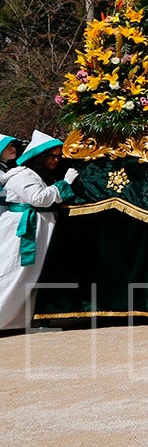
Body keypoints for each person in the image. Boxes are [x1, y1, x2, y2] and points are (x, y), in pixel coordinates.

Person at [0, 131, 77, 330]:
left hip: (37, 230)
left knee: (28, 278)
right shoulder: (22, 174)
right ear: (38, 158)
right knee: (12, 274)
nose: (55, 160)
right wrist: (65, 184)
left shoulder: (36, 175)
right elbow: (38, 198)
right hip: (21, 233)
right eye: (51, 156)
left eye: (59, 156)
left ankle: (15, 322)